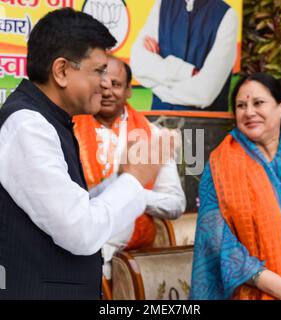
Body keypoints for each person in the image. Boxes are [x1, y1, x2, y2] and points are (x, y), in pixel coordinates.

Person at [0, 8, 165, 300]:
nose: (105, 83)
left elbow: (68, 208)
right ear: (62, 71)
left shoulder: (51, 120)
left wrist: (121, 180)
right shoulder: (27, 126)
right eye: (99, 70)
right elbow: (79, 230)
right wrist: (134, 179)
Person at [73, 56, 186, 279]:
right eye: (101, 84)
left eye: (115, 85)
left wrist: (132, 193)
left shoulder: (153, 136)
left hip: (136, 255)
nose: (107, 92)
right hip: (79, 249)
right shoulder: (68, 129)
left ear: (128, 91)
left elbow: (176, 204)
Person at [190, 72, 281, 300]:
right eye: (241, 105)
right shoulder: (221, 164)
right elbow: (216, 237)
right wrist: (279, 286)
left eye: (258, 103)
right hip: (250, 286)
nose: (249, 112)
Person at [131, 0, 238, 111]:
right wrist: (188, 72)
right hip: (160, 121)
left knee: (194, 130)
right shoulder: (162, 3)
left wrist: (158, 87)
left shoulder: (226, 15)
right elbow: (138, 65)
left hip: (202, 124)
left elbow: (204, 94)